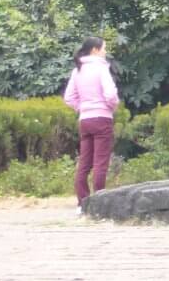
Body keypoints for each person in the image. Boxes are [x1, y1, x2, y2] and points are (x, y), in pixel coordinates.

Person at [63, 36, 119, 213]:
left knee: (84, 163)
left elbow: (69, 97)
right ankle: (99, 204)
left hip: (85, 120)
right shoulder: (101, 68)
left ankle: (82, 204)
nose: (105, 51)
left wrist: (82, 108)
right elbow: (110, 94)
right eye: (104, 48)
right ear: (95, 50)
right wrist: (111, 107)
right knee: (100, 162)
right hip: (102, 118)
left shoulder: (77, 70)